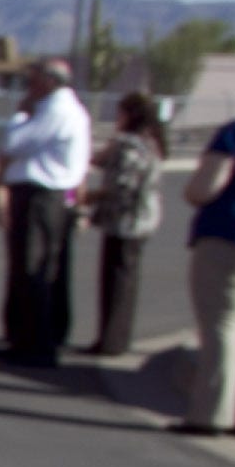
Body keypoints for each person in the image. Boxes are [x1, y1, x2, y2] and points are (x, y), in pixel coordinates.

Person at [0, 57, 90, 363]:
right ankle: (34, 337)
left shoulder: (55, 109)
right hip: (46, 195)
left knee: (33, 269)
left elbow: (15, 143)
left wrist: (20, 117)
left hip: (41, 196)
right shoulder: (60, 108)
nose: (28, 87)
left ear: (49, 80)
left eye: (33, 80)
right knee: (41, 268)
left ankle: (35, 344)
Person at [81, 91, 167, 357]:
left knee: (116, 280)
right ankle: (119, 337)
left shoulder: (128, 145)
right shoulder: (152, 143)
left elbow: (121, 184)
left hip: (126, 220)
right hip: (144, 218)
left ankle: (110, 340)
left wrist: (89, 198)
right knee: (128, 280)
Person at [181, 107, 235, 435]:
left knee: (222, 325)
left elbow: (204, 188)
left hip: (229, 235)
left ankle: (212, 413)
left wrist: (193, 191)